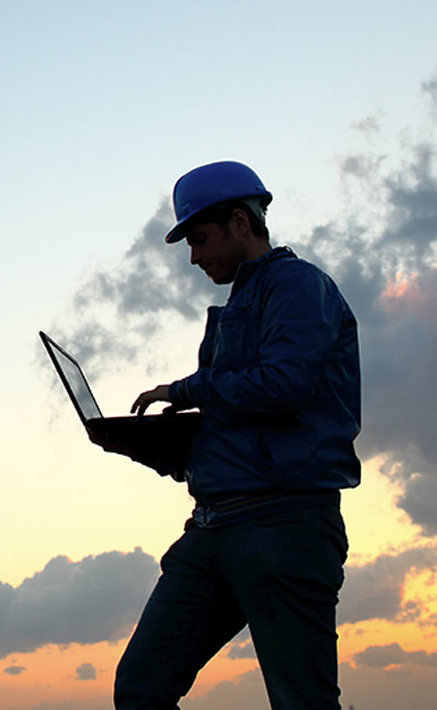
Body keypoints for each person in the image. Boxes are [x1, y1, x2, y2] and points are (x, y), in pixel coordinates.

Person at [113, 161, 361, 710]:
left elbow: (283, 385)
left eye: (199, 239)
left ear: (240, 222)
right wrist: (170, 450)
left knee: (303, 701)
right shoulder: (243, 300)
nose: (194, 257)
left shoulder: (299, 285)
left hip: (284, 525)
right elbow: (242, 412)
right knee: (140, 688)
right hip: (212, 527)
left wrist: (185, 390)